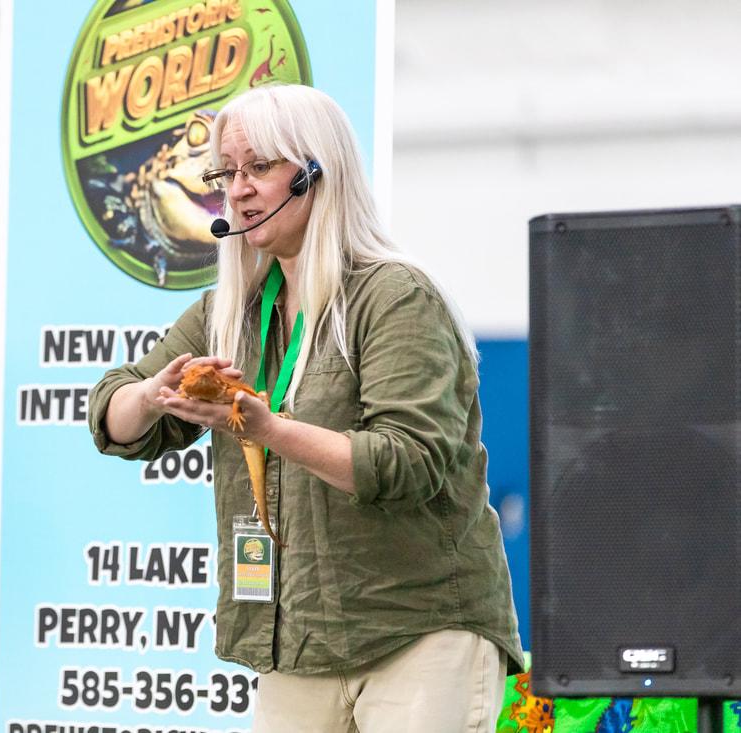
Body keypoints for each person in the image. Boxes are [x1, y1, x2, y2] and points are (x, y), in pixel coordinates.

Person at [87, 84, 524, 733]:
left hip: (419, 631)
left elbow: (405, 463)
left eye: (259, 166)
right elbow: (110, 414)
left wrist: (269, 429)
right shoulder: (228, 310)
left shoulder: (395, 297)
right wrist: (153, 395)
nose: (238, 189)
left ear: (317, 173)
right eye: (226, 172)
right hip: (296, 641)